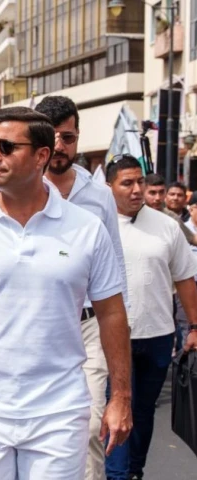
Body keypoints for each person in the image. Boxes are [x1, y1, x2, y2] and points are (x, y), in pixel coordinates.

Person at [0, 107, 132, 479]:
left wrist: (121, 397)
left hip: (59, 410)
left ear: (41, 156)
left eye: (6, 146)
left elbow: (111, 313)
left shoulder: (86, 229)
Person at [36, 95, 128, 480]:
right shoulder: (20, 190)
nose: (61, 147)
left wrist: (121, 329)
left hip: (89, 324)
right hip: (38, 323)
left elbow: (114, 269)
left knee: (89, 426)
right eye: (53, 137)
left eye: (69, 138)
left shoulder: (100, 195)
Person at [104, 156, 197, 480]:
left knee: (143, 413)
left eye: (139, 182)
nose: (136, 190)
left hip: (158, 336)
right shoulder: (97, 225)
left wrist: (195, 327)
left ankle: (134, 471)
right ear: (109, 187)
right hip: (113, 339)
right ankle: (117, 475)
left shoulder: (167, 227)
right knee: (117, 411)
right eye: (126, 183)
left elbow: (185, 278)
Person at [142, 174, 197, 245]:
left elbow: (192, 239)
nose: (158, 198)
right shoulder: (133, 214)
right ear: (143, 193)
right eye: (152, 193)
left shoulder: (172, 217)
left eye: (161, 192)